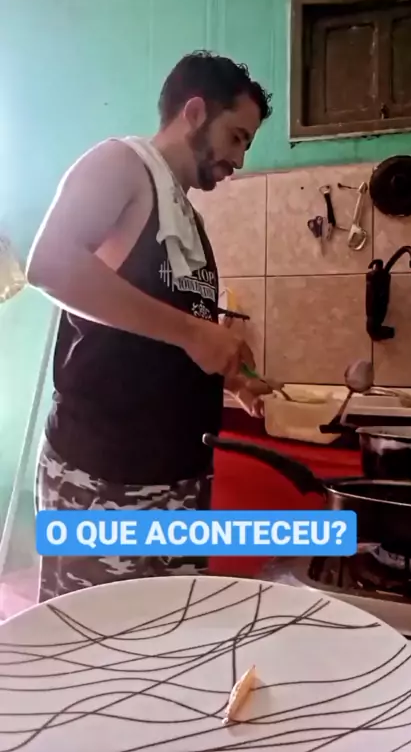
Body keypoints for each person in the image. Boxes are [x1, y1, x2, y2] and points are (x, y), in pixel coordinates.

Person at [27, 50, 273, 602]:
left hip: (178, 482)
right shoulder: (121, 163)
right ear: (194, 113)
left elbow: (162, 334)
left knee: (166, 639)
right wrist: (195, 334)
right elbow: (50, 264)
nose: (239, 159)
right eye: (236, 137)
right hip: (105, 480)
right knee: (97, 643)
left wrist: (230, 376)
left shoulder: (186, 215)